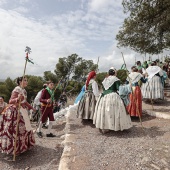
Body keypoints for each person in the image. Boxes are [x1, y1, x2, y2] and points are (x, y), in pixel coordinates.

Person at [0, 76, 36, 155]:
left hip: (22, 111)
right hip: (16, 112)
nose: (27, 82)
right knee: (17, 131)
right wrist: (17, 99)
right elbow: (10, 101)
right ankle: (14, 149)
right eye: (25, 80)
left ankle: (23, 147)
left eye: (27, 80)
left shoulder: (24, 90)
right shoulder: (17, 89)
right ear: (20, 82)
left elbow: (24, 102)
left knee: (24, 129)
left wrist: (31, 107)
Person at [93, 67, 132, 133]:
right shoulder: (116, 79)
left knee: (105, 112)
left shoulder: (105, 79)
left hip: (104, 96)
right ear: (114, 73)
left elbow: (104, 89)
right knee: (115, 111)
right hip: (113, 96)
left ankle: (105, 126)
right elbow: (119, 89)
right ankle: (116, 126)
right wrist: (128, 86)